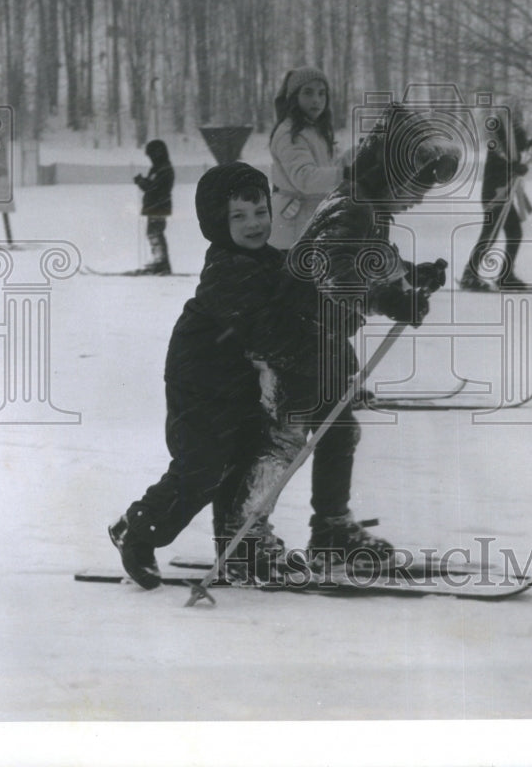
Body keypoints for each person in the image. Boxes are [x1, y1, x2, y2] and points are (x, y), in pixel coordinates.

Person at [219, 104, 460, 574]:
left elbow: (363, 270)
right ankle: (244, 538)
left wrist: (400, 292)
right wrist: (389, 281)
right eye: (415, 189)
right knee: (285, 441)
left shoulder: (369, 208)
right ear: (390, 175)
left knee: (338, 429)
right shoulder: (352, 206)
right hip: (293, 340)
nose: (417, 201)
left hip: (323, 342)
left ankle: (331, 529)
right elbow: (334, 272)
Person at [109, 162, 289, 589]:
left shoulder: (270, 262)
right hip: (201, 381)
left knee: (242, 462)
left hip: (238, 380)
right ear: (216, 222)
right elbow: (263, 328)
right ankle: (136, 529)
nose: (254, 224)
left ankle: (235, 548)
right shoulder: (228, 270)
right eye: (238, 217)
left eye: (260, 211)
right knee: (202, 468)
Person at [459, 107, 532, 291]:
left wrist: (527, 150)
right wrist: (517, 167)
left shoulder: (506, 147)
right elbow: (504, 166)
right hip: (495, 196)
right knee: (490, 235)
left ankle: (505, 275)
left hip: (502, 196)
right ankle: (470, 275)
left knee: (514, 232)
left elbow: (514, 159)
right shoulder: (499, 150)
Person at [268, 66, 343, 250]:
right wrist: (346, 173)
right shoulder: (289, 133)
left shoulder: (316, 131)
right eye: (308, 93)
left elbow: (330, 167)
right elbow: (306, 178)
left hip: (312, 222)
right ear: (294, 97)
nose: (316, 100)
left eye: (321, 93)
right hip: (292, 228)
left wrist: (361, 156)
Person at [133, 139, 174, 275]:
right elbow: (152, 186)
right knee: (154, 233)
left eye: (151, 155)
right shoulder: (159, 168)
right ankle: (160, 261)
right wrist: (143, 182)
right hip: (155, 206)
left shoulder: (164, 169)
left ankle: (161, 262)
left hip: (159, 206)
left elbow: (153, 188)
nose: (150, 158)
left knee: (154, 233)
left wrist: (141, 182)